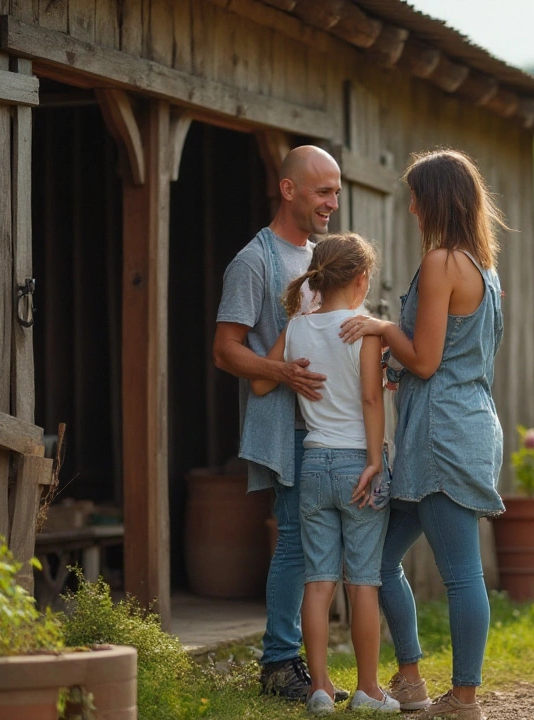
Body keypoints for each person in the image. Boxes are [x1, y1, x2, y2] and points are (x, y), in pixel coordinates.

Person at [339, 149, 508, 720]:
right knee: (379, 558)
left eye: (414, 195)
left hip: (442, 433)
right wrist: (398, 361)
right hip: (462, 422)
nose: (409, 207)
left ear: (434, 198)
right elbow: (445, 357)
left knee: (460, 573)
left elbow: (429, 361)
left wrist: (385, 327)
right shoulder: (485, 269)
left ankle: (463, 699)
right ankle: (409, 679)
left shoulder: (442, 262)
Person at [252, 233, 399, 715]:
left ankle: (318, 688)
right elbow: (372, 400)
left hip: (311, 463)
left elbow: (258, 381)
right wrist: (376, 459)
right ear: (360, 281)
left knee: (317, 582)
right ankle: (369, 690)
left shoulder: (297, 327)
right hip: (359, 464)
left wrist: (291, 370)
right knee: (363, 582)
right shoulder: (364, 329)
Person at [213, 145, 340, 700]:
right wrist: (281, 372)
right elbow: (225, 350)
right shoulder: (254, 260)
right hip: (286, 427)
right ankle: (279, 663)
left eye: (336, 191)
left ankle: (306, 664)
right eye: (322, 191)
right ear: (288, 190)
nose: (332, 202)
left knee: (316, 542)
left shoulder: (320, 257)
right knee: (295, 540)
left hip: (328, 424)